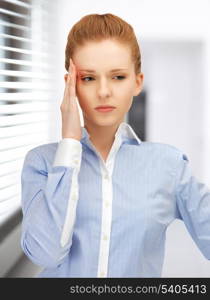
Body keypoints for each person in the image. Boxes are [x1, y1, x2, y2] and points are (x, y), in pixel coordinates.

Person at [20, 13, 210, 278]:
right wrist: (69, 145)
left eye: (118, 77)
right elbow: (45, 254)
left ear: (137, 82)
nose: (104, 91)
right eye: (88, 78)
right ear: (70, 85)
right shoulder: (42, 162)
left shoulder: (169, 165)